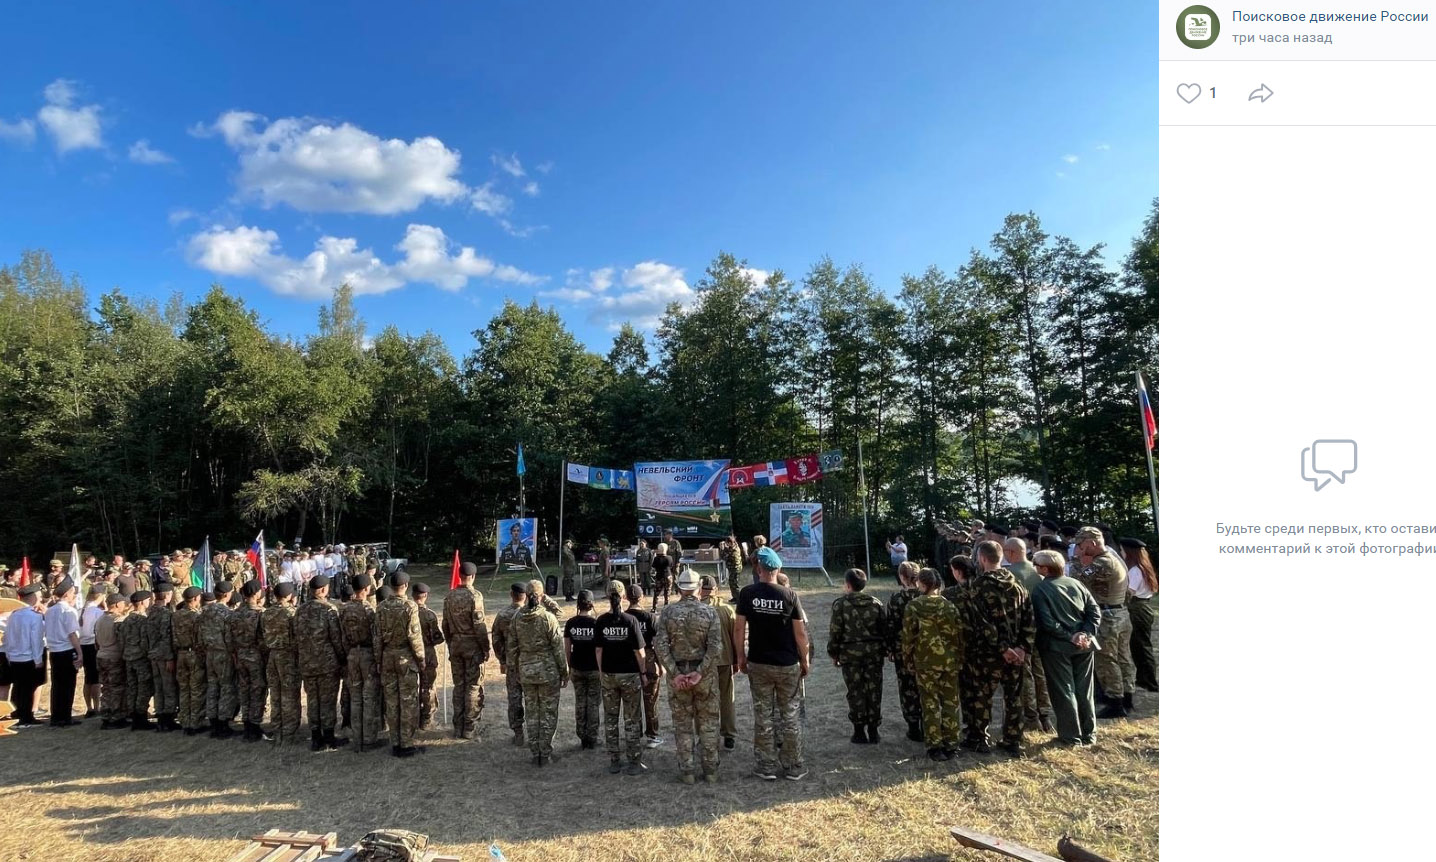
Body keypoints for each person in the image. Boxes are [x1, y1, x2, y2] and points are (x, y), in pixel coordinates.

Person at [735, 546, 810, 781]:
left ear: (758, 568)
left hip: (759, 662)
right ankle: (793, 766)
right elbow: (800, 634)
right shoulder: (790, 596)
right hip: (787, 663)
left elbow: (739, 628)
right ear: (778, 569)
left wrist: (740, 656)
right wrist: (805, 659)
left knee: (763, 715)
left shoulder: (747, 594)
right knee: (790, 715)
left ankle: (766, 766)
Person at [961, 541, 1037, 757]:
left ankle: (979, 738)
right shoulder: (1018, 585)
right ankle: (1012, 739)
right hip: (1016, 655)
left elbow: (979, 623)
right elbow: (1029, 619)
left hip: (988, 655)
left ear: (983, 559)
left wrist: (1003, 648)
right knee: (1013, 697)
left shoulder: (977, 587)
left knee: (981, 696)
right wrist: (1022, 647)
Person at [655, 566, 723, 784]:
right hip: (705, 676)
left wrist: (675, 673)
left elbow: (661, 647)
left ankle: (688, 772)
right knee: (709, 723)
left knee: (682, 724)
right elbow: (715, 647)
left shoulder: (667, 613)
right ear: (697, 589)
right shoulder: (709, 612)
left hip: (678, 673)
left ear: (679, 587)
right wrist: (700, 672)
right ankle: (710, 770)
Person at [1031, 550, 1101, 746]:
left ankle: (1071, 736)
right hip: (1084, 646)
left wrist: (1070, 636)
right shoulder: (1076, 583)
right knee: (1085, 690)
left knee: (1063, 691)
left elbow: (1047, 622)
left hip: (1057, 648)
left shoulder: (1040, 590)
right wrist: (1085, 634)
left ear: (1045, 568)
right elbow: (1094, 612)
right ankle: (1089, 734)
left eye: (1037, 565)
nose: (1035, 568)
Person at [1072, 526, 1136, 718]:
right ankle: (1127, 696)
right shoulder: (1115, 558)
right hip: (1120, 612)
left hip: (1107, 617)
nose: (1080, 549)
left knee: (1107, 659)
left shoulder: (1102, 563)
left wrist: (1076, 561)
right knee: (1123, 657)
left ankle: (1115, 700)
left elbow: (1078, 580)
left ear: (1092, 543)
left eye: (1081, 546)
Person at [902, 568, 964, 761]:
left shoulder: (914, 606)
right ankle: (952, 744)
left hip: (925, 662)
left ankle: (934, 746)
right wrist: (959, 659)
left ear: (923, 583)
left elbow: (908, 638)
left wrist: (907, 660)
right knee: (950, 702)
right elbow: (959, 636)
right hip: (949, 662)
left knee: (929, 703)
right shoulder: (950, 607)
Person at [508, 579, 568, 765]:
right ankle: (546, 752)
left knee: (532, 713)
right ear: (541, 596)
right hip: (547, 671)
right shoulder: (547, 618)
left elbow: (512, 648)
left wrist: (514, 670)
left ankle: (535, 753)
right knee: (548, 713)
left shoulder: (517, 617)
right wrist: (564, 671)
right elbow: (558, 648)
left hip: (526, 671)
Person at [828, 568, 888, 745]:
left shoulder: (840, 604)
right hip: (873, 655)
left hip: (850, 656)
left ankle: (859, 732)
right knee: (874, 691)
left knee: (855, 692)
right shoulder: (876, 603)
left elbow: (835, 632)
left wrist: (834, 653)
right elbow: (884, 630)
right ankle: (874, 731)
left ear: (847, 585)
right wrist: (884, 650)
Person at [595, 581, 646, 775]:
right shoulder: (630, 620)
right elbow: (640, 652)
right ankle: (634, 761)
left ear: (607, 596)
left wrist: (601, 672)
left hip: (609, 674)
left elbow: (598, 650)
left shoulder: (601, 621)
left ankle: (614, 760)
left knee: (610, 718)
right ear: (623, 596)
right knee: (632, 718)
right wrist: (642, 673)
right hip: (630, 675)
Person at [1003, 538, 1052, 734]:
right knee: (1040, 673)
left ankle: (1031, 716)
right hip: (1041, 628)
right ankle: (1045, 714)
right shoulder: (1038, 572)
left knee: (1025, 674)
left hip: (1021, 631)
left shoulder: (1010, 575)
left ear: (1011, 552)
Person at [376, 571, 426, 757]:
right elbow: (414, 636)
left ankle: (395, 741)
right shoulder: (410, 606)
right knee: (407, 701)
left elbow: (377, 637)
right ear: (405, 586)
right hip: (405, 658)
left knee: (391, 701)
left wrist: (378, 658)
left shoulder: (381, 607)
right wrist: (420, 659)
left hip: (387, 656)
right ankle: (406, 743)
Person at [295, 575, 348, 750]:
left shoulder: (300, 610)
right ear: (324, 589)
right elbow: (336, 638)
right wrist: (342, 659)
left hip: (307, 662)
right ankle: (329, 736)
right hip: (327, 663)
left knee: (312, 699)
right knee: (327, 700)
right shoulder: (329, 610)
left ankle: (315, 737)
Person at [442, 562, 490, 740]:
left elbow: (445, 624)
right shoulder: (475, 596)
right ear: (473, 577)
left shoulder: (449, 596)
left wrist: (451, 641)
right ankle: (469, 727)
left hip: (456, 644)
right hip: (472, 646)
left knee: (459, 686)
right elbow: (479, 626)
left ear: (460, 575)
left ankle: (458, 726)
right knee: (472, 686)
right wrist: (485, 647)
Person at [339, 573, 383, 751]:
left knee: (355, 698)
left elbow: (342, 636)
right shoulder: (369, 610)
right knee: (369, 697)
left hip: (351, 655)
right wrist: (379, 658)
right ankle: (369, 739)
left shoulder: (344, 609)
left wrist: (346, 653)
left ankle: (357, 738)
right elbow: (376, 637)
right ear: (366, 589)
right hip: (367, 654)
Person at [699, 574, 738, 749]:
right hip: (724, 660)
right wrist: (737, 660)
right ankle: (729, 735)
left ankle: (703, 734)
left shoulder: (696, 609)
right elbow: (735, 637)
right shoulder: (727, 609)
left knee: (702, 700)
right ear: (715, 589)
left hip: (701, 664)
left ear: (700, 590)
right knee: (726, 698)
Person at [886, 561, 924, 741]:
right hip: (926, 650)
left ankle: (913, 726)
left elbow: (891, 628)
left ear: (902, 577)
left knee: (907, 687)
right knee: (926, 686)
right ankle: (928, 722)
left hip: (903, 651)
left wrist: (892, 650)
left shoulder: (896, 599)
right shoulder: (928, 596)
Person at [261, 582, 303, 745]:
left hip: (272, 655)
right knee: (290, 695)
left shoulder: (266, 613)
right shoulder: (292, 613)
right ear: (289, 596)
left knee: (276, 695)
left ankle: (277, 729)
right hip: (288, 656)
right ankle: (289, 733)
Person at [230, 581, 269, 742]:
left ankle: (246, 723)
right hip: (255, 657)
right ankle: (254, 726)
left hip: (239, 656)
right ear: (257, 593)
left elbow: (229, 637)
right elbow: (263, 639)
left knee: (244, 690)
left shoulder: (234, 613)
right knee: (258, 691)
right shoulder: (260, 613)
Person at [625, 583, 664, 747]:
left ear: (626, 598)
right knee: (651, 700)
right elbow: (657, 643)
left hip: (628, 661)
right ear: (642, 598)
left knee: (631, 703)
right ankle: (652, 735)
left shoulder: (624, 616)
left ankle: (633, 734)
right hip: (648, 660)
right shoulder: (649, 617)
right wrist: (661, 665)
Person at [199, 581, 239, 738]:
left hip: (210, 653)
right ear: (227, 595)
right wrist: (233, 653)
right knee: (226, 688)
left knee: (212, 687)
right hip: (224, 654)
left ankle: (213, 722)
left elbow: (200, 634)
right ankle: (223, 724)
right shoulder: (227, 614)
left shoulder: (205, 612)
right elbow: (229, 637)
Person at [3, 584, 47, 726]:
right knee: (28, 688)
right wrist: (38, 659)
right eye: (39, 597)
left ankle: (17, 714)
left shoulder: (14, 615)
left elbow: (8, 637)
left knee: (18, 688)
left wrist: (9, 655)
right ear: (33, 598)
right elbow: (36, 640)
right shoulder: (34, 617)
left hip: (15, 656)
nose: (40, 599)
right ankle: (26, 717)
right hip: (28, 657)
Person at [42, 579, 83, 727]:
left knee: (57, 684)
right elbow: (72, 634)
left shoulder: (50, 610)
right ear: (67, 594)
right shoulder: (68, 610)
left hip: (54, 651)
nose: (74, 595)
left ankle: (56, 715)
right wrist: (80, 653)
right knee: (68, 684)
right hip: (66, 650)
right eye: (73, 593)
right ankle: (65, 716)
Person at [491, 583, 528, 747]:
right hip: (530, 664)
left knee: (514, 699)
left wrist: (502, 660)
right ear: (525, 595)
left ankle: (518, 733)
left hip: (512, 664)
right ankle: (534, 732)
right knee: (532, 699)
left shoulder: (503, 615)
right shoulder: (532, 614)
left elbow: (496, 640)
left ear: (511, 594)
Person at [564, 590, 601, 749]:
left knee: (580, 702)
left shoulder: (571, 623)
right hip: (593, 669)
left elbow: (567, 648)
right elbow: (600, 649)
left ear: (578, 604)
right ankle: (592, 737)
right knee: (593, 704)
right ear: (591, 604)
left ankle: (582, 736)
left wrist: (569, 665)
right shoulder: (596, 624)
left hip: (577, 668)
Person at [1120, 538, 1159, 693]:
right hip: (1142, 606)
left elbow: (1130, 592)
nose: (1121, 554)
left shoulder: (1135, 570)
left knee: (1141, 645)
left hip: (1137, 607)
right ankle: (1143, 678)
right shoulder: (1142, 567)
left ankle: (1149, 681)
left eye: (1122, 550)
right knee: (1138, 645)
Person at [145, 582, 180, 732]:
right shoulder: (166, 614)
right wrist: (170, 658)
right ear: (167, 595)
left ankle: (160, 718)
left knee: (158, 688)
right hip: (164, 656)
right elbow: (167, 638)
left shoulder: (150, 612)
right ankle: (168, 719)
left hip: (153, 655)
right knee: (168, 688)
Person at [172, 586, 206, 735]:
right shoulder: (197, 616)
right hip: (194, 654)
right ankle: (195, 723)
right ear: (197, 598)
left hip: (180, 654)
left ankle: (185, 721)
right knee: (196, 689)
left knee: (184, 689)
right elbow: (201, 638)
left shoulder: (176, 615)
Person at [120, 589, 155, 730]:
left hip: (128, 658)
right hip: (141, 658)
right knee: (144, 688)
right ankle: (141, 717)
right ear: (141, 602)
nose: (149, 602)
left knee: (132, 688)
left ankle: (134, 715)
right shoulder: (143, 620)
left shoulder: (126, 620)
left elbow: (121, 640)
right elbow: (145, 641)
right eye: (147, 600)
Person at [411, 582, 444, 729]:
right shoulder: (429, 615)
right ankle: (426, 719)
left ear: (413, 595)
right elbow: (437, 638)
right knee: (428, 687)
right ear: (425, 596)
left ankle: (412, 717)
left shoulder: (407, 612)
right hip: (428, 653)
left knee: (411, 687)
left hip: (409, 653)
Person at [94, 592, 129, 729]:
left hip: (101, 655)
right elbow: (122, 641)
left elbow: (96, 640)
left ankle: (106, 715)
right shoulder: (117, 620)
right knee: (117, 688)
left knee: (106, 687)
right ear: (117, 604)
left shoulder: (100, 620)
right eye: (122, 603)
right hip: (114, 657)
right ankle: (116, 716)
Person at [79, 584, 107, 718]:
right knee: (95, 679)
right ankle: (96, 707)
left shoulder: (81, 610)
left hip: (82, 645)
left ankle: (89, 707)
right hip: (93, 645)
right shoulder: (98, 612)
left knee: (88, 678)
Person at [720, 535, 744, 602]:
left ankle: (738, 599)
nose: (726, 544)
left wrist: (722, 549)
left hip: (735, 569)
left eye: (727, 543)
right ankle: (735, 597)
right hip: (733, 569)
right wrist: (725, 548)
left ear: (730, 542)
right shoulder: (733, 547)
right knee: (731, 583)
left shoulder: (734, 550)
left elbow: (724, 557)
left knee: (735, 584)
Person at [650, 543, 672, 608]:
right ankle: (666, 607)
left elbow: (653, 566)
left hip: (659, 576)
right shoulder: (669, 558)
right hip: (668, 576)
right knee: (667, 593)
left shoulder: (656, 558)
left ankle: (654, 608)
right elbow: (671, 566)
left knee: (656, 593)